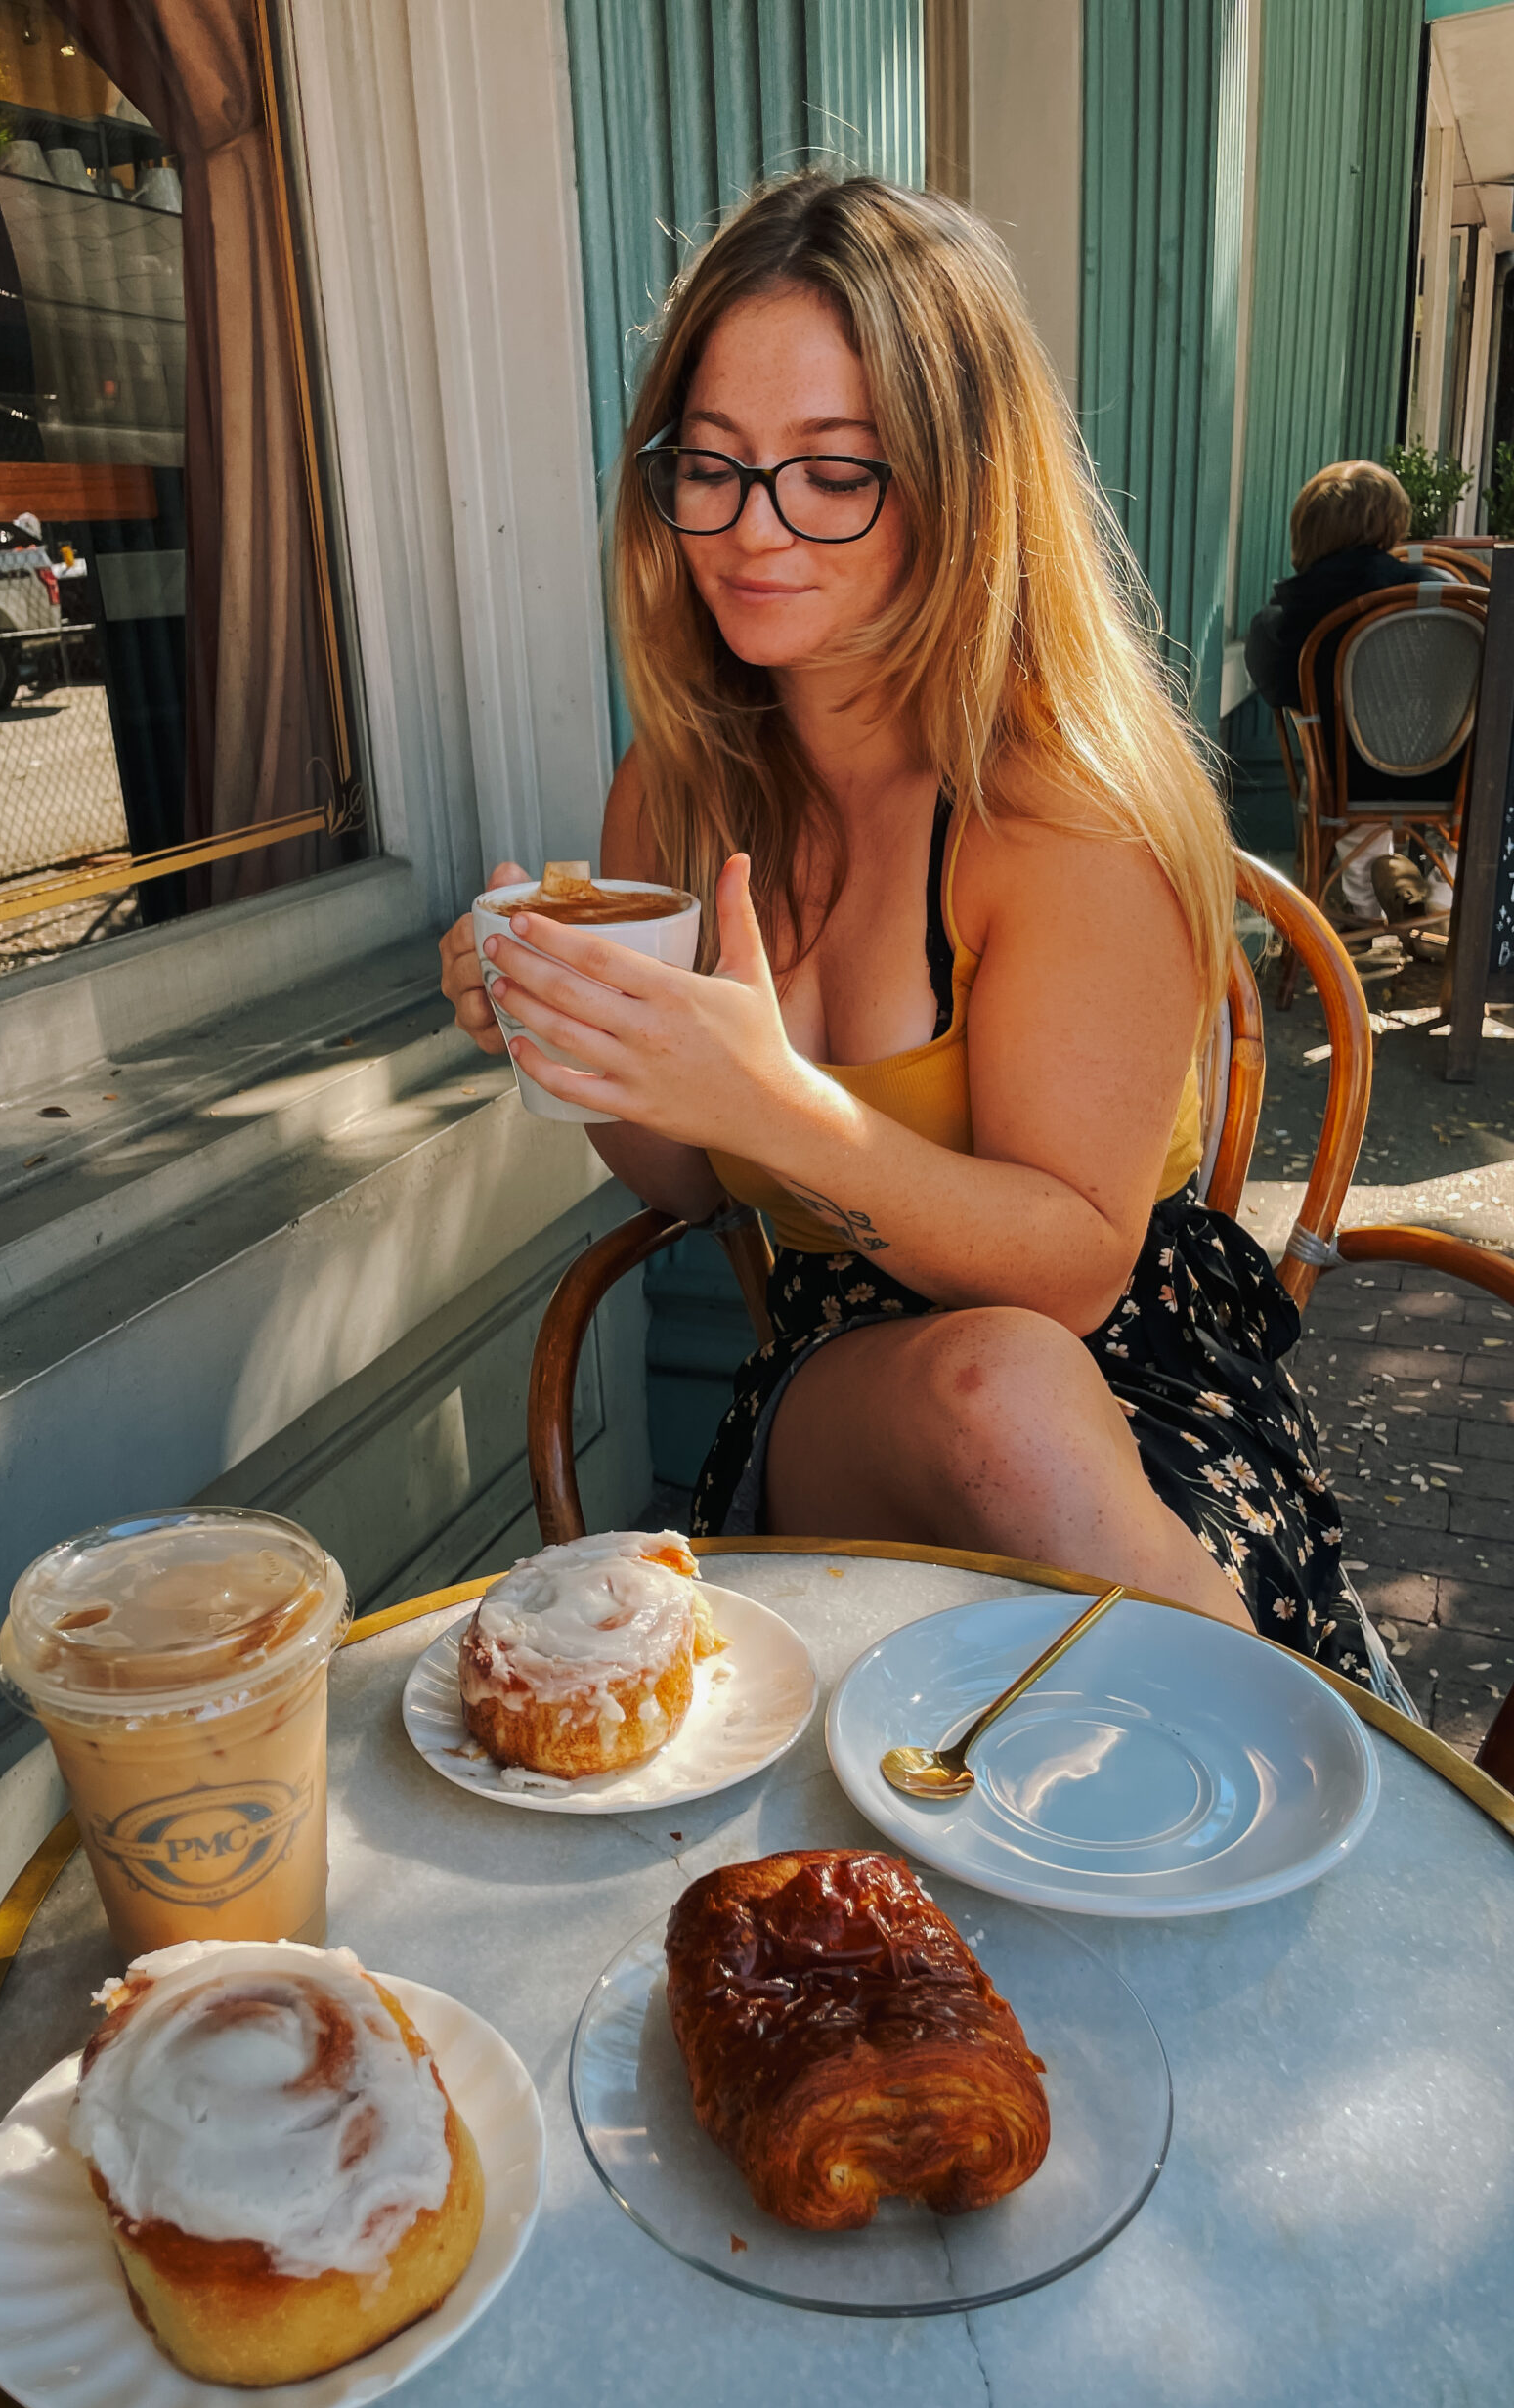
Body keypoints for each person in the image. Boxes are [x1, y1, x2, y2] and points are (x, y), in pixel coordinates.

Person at [439, 174, 1396, 1702]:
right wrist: (585, 1037)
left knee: (1005, 1383)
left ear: (960, 483)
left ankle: (1298, 1801)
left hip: (1123, 1382)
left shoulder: (1064, 808)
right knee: (980, 1394)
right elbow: (690, 1178)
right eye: (715, 464)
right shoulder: (676, 794)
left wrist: (774, 1105)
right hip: (836, 1387)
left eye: (833, 473)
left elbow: (1074, 1279)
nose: (754, 530)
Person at [1243, 460, 1454, 928]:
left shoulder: (1284, 620)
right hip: (1448, 776)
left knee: (1344, 751)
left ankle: (1365, 905)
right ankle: (1444, 897)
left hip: (1346, 782)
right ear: (1390, 525)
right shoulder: (1440, 596)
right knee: (1488, 772)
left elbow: (1277, 691)